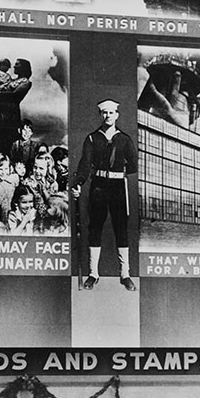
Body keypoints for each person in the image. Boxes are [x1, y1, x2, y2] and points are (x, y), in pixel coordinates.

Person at [71, 99, 137, 290]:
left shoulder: (125, 139)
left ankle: (125, 275)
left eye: (111, 113)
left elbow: (133, 164)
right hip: (98, 187)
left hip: (118, 187)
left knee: (121, 228)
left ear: (117, 115)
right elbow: (85, 164)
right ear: (100, 115)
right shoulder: (92, 138)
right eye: (104, 113)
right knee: (95, 228)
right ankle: (93, 274)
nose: (107, 116)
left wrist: (118, 169)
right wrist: (79, 183)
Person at [0, 58, 33, 157]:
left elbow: (15, 96)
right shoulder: (10, 80)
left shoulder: (26, 82)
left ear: (23, 68)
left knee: (10, 145)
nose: (14, 66)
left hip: (11, 117)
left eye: (17, 65)